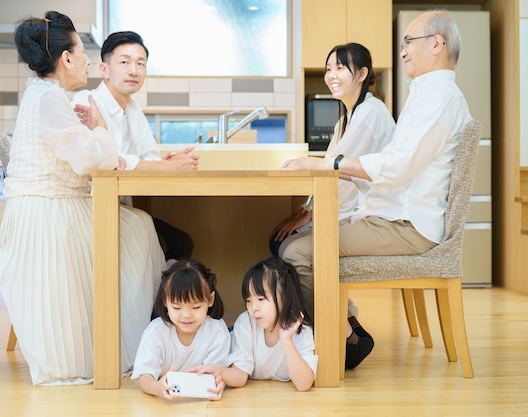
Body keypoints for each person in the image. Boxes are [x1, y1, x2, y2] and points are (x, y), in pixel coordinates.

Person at [281, 10, 472, 370]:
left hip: (406, 226)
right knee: (294, 245)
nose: (402, 52)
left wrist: (330, 165)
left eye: (408, 43)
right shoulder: (427, 94)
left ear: (437, 44)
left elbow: (396, 167)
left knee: (295, 252)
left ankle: (334, 343)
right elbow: (392, 163)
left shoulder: (439, 98)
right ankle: (341, 332)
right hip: (395, 216)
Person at [0, 11, 166, 386]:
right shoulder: (52, 100)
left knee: (138, 226)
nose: (88, 59)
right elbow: (89, 159)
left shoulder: (45, 95)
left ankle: (133, 339)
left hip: (48, 206)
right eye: (82, 51)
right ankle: (127, 343)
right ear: (66, 58)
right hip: (48, 213)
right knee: (139, 230)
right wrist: (102, 129)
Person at [73, 31, 197, 262]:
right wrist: (158, 166)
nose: (134, 70)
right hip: (87, 211)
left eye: (140, 63)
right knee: (162, 242)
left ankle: (163, 297)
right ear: (104, 69)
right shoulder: (85, 102)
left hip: (121, 208)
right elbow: (105, 163)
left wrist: (164, 164)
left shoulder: (133, 108)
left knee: (181, 242)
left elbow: (147, 156)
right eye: (124, 62)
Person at [270, 42, 395, 257]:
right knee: (279, 239)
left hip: (370, 217)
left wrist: (310, 214)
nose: (331, 75)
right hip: (352, 210)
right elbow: (331, 166)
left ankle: (323, 291)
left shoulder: (370, 113)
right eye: (328, 69)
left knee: (283, 244)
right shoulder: (347, 118)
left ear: (362, 73)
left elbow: (335, 171)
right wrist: (309, 210)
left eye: (340, 68)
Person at [192, 257, 317, 391]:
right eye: (248, 300)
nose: (254, 307)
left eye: (261, 299)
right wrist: (218, 371)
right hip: (226, 340)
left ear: (285, 297)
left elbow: (303, 384)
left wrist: (286, 340)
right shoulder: (246, 323)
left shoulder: (302, 329)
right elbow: (240, 375)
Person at [131, 259, 230, 400]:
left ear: (210, 299)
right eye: (177, 307)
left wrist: (220, 384)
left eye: (196, 307)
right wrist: (156, 387)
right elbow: (144, 376)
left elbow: (216, 374)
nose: (186, 315)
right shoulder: (155, 332)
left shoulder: (217, 331)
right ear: (165, 300)